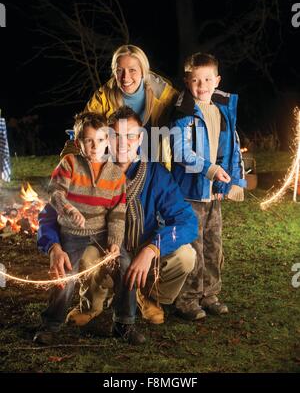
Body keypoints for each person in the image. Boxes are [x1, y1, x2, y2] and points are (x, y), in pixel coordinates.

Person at [36, 106, 198, 345]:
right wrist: (53, 248)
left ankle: (146, 299)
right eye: (115, 136)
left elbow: (187, 221)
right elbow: (49, 215)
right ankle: (90, 304)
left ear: (141, 138)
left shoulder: (155, 175)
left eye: (131, 136)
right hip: (97, 242)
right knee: (82, 259)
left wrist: (152, 249)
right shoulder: (82, 168)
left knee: (185, 256)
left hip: (140, 250)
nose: (123, 144)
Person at [33, 112, 126, 344]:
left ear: (108, 141)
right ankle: (51, 324)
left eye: (101, 140)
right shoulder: (70, 164)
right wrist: (68, 209)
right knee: (66, 275)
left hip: (101, 232)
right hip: (72, 233)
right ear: (79, 143)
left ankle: (125, 322)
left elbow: (117, 211)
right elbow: (55, 193)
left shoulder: (116, 174)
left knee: (125, 265)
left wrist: (115, 240)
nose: (95, 146)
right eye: (89, 141)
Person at [170, 52, 247, 321]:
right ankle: (188, 299)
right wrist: (210, 170)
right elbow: (180, 153)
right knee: (195, 248)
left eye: (206, 79)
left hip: (214, 194)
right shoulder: (183, 114)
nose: (201, 85)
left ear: (217, 80)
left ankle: (210, 294)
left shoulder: (224, 112)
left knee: (214, 245)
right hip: (191, 194)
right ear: (187, 81)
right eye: (195, 80)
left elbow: (233, 149)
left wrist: (237, 181)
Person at [62, 44, 178, 168]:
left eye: (132, 70)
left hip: (156, 163)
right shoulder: (103, 97)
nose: (125, 77)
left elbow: (188, 117)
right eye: (119, 70)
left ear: (143, 71)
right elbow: (82, 131)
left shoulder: (164, 95)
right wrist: (69, 160)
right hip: (116, 165)